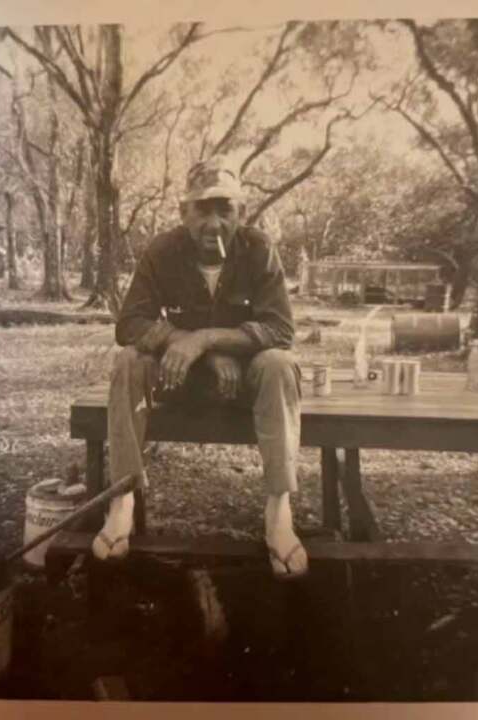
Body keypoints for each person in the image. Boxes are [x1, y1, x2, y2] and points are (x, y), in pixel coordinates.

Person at [98, 155, 307, 580]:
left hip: (243, 386)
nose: (213, 223)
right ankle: (122, 499)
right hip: (180, 381)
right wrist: (187, 344)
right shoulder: (163, 250)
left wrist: (207, 338)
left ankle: (278, 510)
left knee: (280, 364)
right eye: (202, 209)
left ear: (242, 212)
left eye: (225, 209)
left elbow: (281, 329)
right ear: (183, 212)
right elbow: (130, 323)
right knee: (128, 361)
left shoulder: (259, 249)